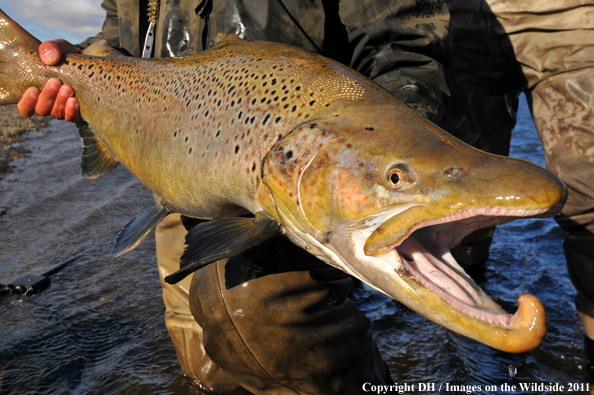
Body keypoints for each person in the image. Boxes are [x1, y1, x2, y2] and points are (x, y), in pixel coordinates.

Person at [18, 1, 451, 393]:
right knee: (203, 361)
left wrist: (369, 163)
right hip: (173, 169)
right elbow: (120, 34)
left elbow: (407, 45)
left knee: (258, 321)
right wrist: (80, 63)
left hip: (299, 172)